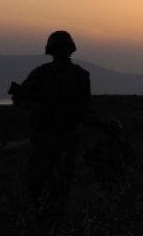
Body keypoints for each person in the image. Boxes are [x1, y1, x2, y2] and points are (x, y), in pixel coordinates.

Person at [10, 30, 92, 222]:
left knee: (62, 186)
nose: (62, 51)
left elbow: (86, 105)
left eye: (64, 47)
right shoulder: (41, 74)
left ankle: (56, 221)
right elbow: (19, 97)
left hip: (66, 137)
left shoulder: (80, 76)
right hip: (44, 138)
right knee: (39, 185)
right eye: (59, 47)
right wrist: (38, 107)